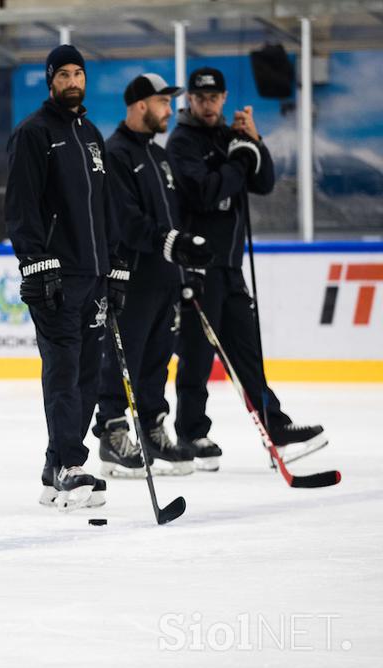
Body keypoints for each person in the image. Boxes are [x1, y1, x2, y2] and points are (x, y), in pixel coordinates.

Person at [167, 67, 325, 471]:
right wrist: (239, 160)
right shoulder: (182, 142)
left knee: (247, 354)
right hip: (198, 268)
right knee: (198, 356)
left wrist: (254, 141)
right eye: (200, 98)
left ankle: (275, 426)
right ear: (190, 101)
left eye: (214, 97)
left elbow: (265, 182)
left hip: (231, 266)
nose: (207, 104)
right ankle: (191, 431)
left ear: (223, 98)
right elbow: (204, 193)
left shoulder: (229, 136)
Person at [4, 44, 125, 511]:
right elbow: (22, 207)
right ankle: (71, 465)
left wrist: (115, 268)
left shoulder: (92, 135)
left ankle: (57, 467)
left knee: (88, 376)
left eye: (79, 74)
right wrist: (36, 263)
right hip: (56, 276)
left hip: (93, 276)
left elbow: (104, 209)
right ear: (50, 80)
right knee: (63, 370)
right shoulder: (34, 134)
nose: (73, 82)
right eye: (64, 75)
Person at [93, 73, 214, 479]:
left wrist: (185, 265)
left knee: (157, 360)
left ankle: (151, 429)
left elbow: (173, 218)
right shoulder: (116, 155)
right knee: (122, 358)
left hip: (164, 278)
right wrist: (171, 244)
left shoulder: (159, 157)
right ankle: (112, 433)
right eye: (164, 102)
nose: (169, 110)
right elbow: (126, 222)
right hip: (131, 278)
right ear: (141, 105)